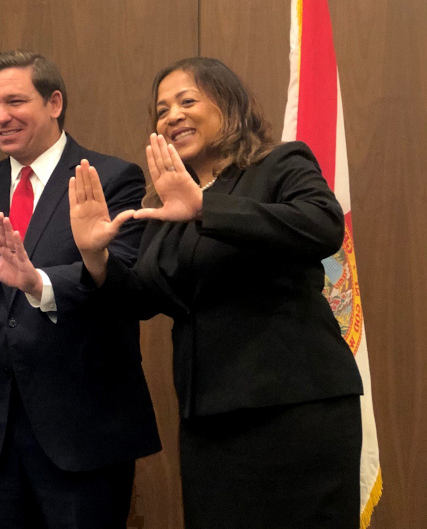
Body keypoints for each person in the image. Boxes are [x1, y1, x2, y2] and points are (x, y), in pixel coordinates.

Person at [69, 57, 364, 528]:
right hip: (208, 419)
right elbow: (144, 298)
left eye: (188, 101)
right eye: (162, 110)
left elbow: (322, 225)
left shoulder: (279, 164)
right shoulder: (166, 206)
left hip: (294, 408)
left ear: (230, 106)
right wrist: (94, 257)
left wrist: (205, 207)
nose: (173, 116)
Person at [0, 50, 160, 528]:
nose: (0, 117)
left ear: (54, 102)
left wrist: (39, 283)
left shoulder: (109, 179)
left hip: (85, 431)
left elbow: (126, 282)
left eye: (14, 101)